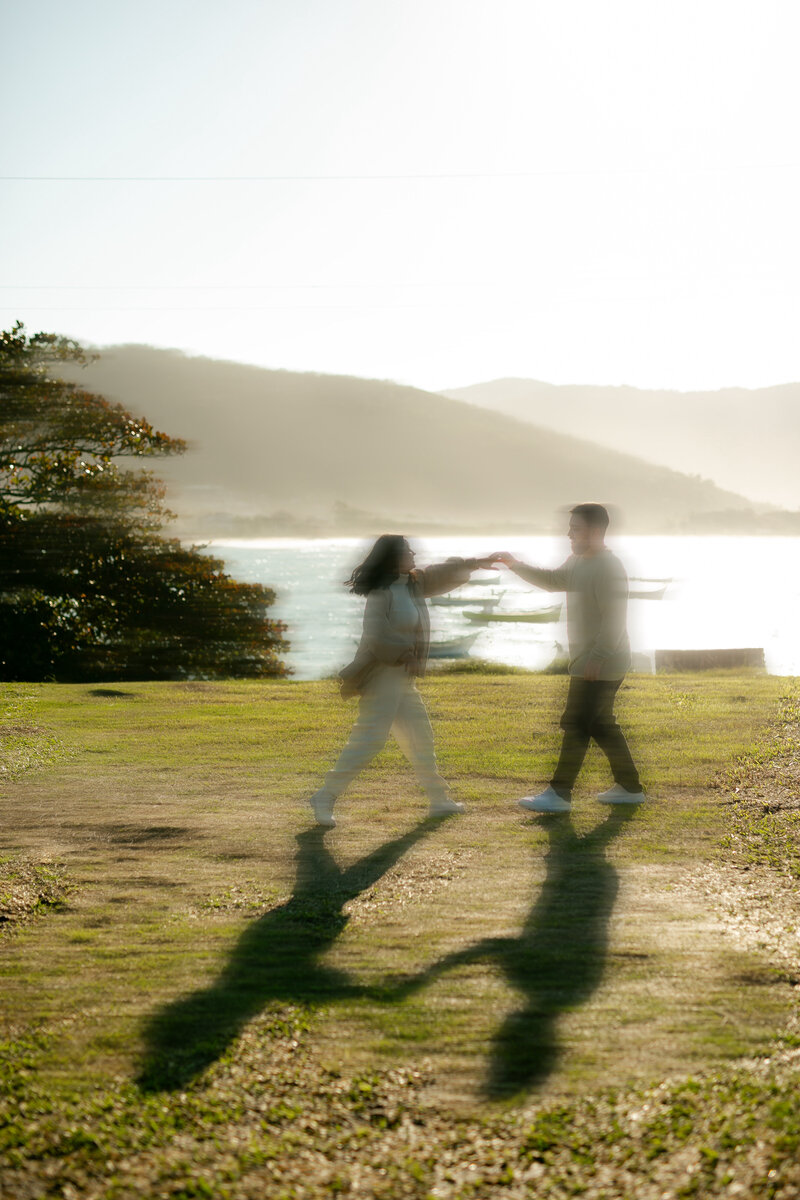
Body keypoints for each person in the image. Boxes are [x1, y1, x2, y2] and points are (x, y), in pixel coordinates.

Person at [308, 535, 495, 827]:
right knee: (369, 740)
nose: (414, 552)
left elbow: (440, 573)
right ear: (394, 557)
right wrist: (405, 653)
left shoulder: (412, 583)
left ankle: (438, 800)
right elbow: (375, 637)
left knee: (421, 737)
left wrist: (477, 563)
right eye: (408, 550)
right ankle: (325, 796)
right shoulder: (381, 593)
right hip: (382, 676)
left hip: (403, 679)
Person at [492, 503, 645, 813]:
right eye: (571, 528)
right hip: (592, 660)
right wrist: (514, 564)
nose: (569, 533)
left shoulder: (609, 567)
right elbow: (552, 580)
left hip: (603, 662)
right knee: (600, 724)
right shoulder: (577, 561)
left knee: (576, 723)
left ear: (596, 531)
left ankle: (560, 793)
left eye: (575, 529)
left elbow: (615, 620)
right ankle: (629, 787)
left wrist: (598, 657)